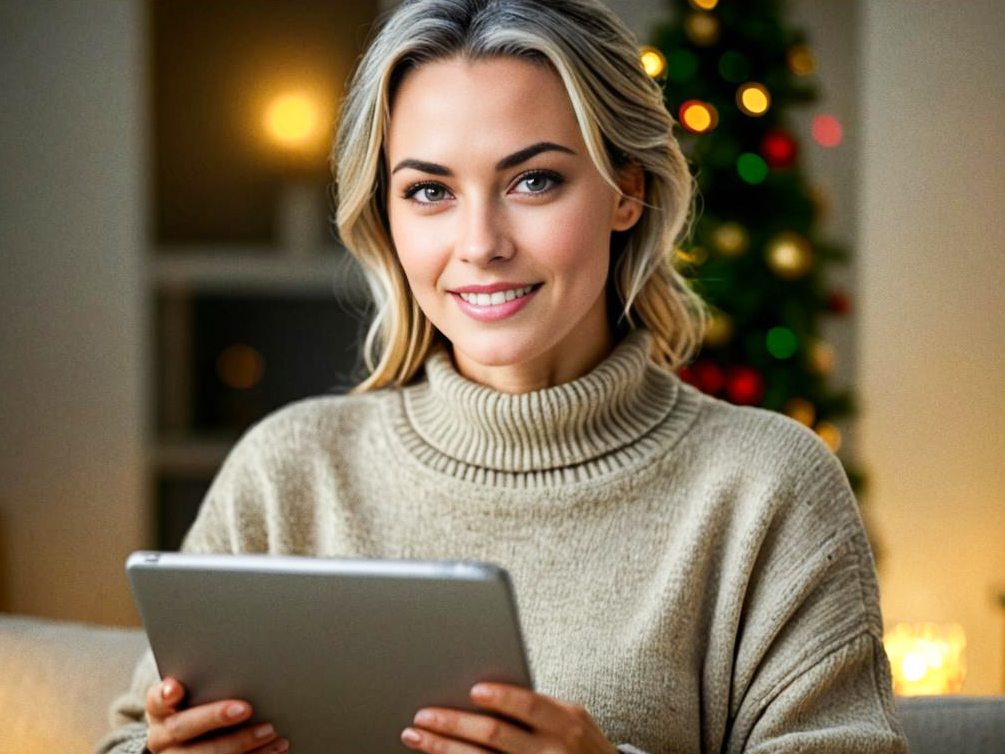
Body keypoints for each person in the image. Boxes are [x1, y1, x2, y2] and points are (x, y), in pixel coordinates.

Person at [96, 1, 908, 753]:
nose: (479, 242)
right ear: (387, 216)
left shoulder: (769, 487)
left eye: (533, 180)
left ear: (626, 189)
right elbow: (127, 739)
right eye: (428, 191)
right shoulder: (289, 470)